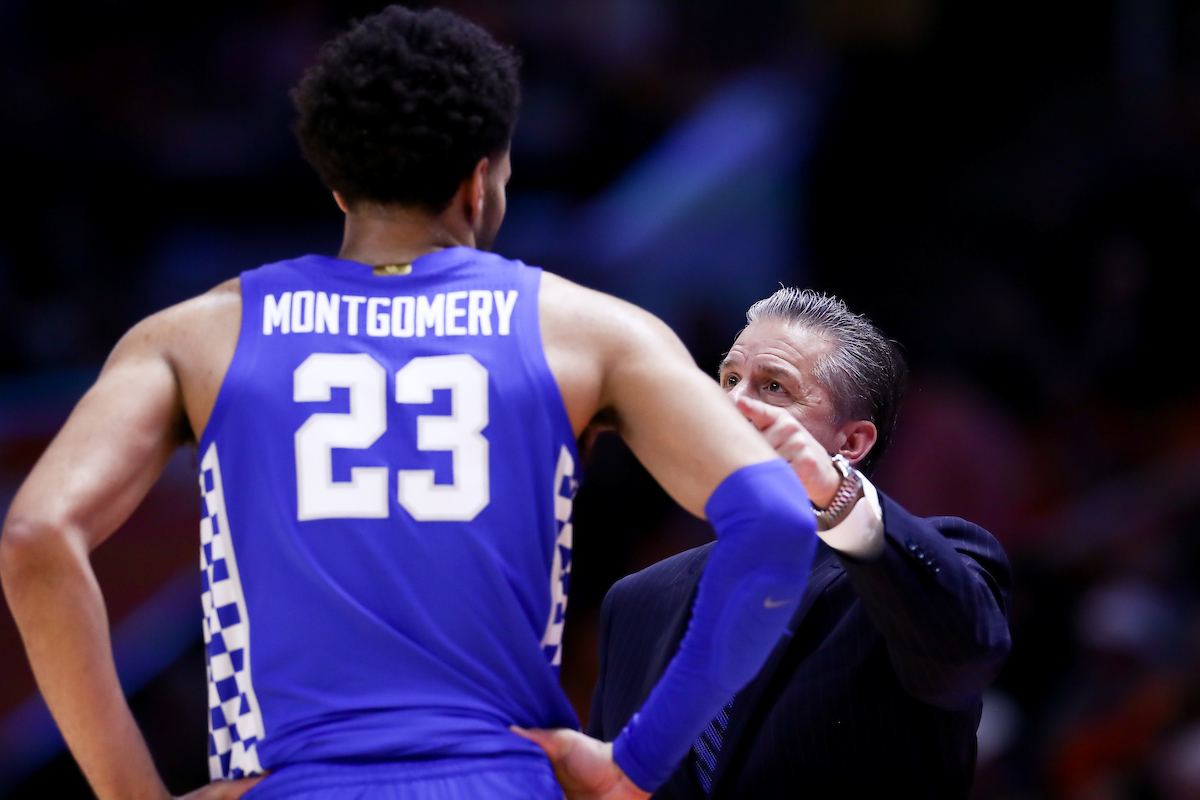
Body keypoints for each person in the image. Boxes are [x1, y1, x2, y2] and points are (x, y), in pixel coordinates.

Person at [0, 9, 820, 800]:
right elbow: (778, 524)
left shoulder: (191, 338)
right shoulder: (593, 332)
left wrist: (132, 794)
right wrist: (637, 761)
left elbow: (37, 537)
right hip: (501, 779)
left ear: (336, 182)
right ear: (479, 180)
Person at [580, 289, 1014, 798]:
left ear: (850, 444)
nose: (734, 403)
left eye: (774, 386)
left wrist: (833, 492)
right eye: (729, 380)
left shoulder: (922, 566)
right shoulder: (635, 603)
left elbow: (963, 656)